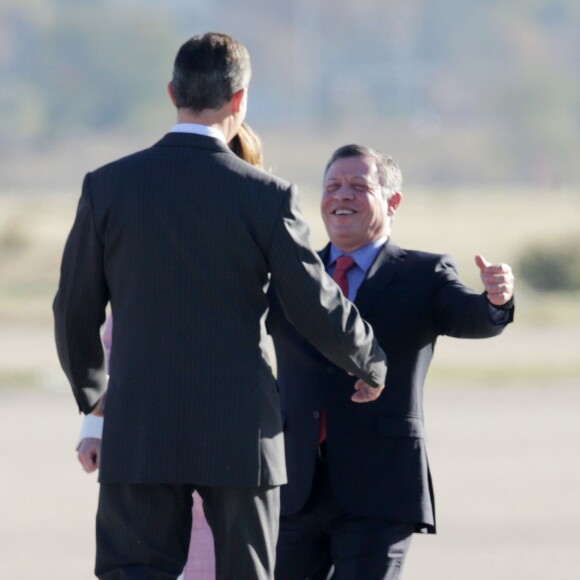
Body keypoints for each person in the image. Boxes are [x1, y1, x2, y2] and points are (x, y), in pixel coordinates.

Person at [53, 33, 388, 580]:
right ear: (240, 101)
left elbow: (74, 307)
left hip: (140, 424)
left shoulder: (107, 187)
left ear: (172, 92)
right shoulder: (267, 195)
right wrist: (369, 359)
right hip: (239, 431)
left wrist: (94, 393)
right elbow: (313, 303)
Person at [266, 144, 515, 580]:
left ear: (392, 201)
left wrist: (497, 300)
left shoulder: (423, 273)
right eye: (333, 186)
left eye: (358, 186)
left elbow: (473, 317)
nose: (342, 195)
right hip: (294, 486)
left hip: (378, 491)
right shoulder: (294, 274)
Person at [76, 122, 267, 580]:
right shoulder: (157, 238)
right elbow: (113, 336)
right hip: (212, 443)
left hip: (201, 439)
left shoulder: (256, 227)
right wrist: (95, 421)